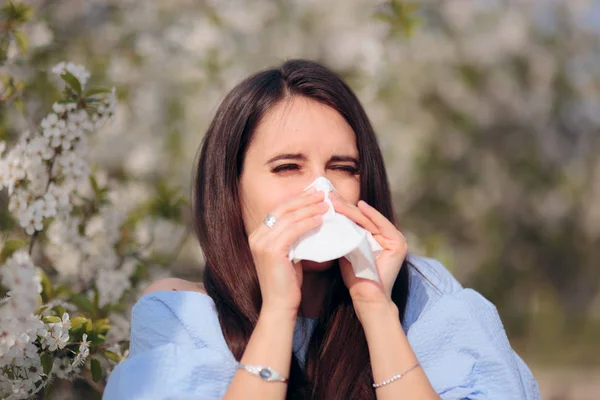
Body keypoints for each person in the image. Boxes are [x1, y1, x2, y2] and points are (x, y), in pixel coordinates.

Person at [103, 59, 541, 399]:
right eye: (287, 167)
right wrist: (278, 311)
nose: (323, 191)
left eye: (343, 168)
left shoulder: (425, 297)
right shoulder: (182, 315)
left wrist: (375, 308)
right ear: (232, 190)